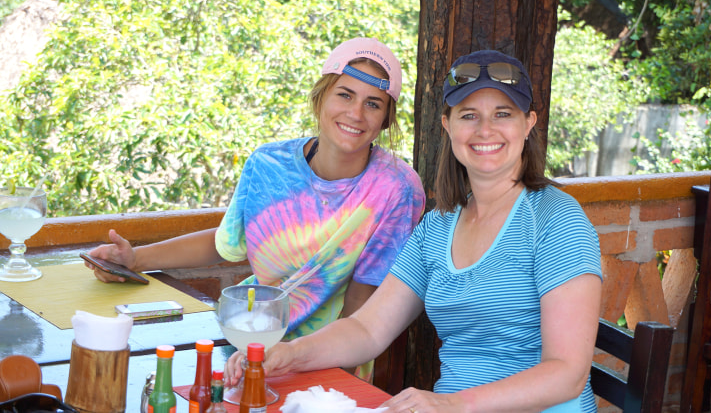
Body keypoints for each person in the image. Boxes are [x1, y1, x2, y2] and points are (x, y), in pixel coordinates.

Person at [254, 50, 603, 412]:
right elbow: (368, 329)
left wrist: (452, 404)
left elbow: (567, 373)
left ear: (528, 123)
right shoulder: (438, 226)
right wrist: (290, 354)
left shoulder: (556, 219)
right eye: (469, 116)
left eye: (503, 114)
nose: (486, 130)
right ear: (448, 125)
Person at [85, 37, 426, 378]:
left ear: (386, 119)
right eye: (345, 94)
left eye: (373, 103)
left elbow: (363, 301)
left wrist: (337, 388)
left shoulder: (396, 189)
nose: (355, 113)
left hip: (323, 360)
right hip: (244, 339)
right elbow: (228, 243)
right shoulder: (268, 164)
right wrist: (136, 260)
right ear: (320, 96)